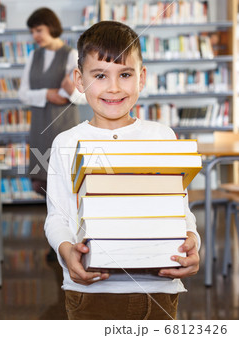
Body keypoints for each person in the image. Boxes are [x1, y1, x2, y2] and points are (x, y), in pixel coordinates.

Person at [44, 21, 200, 320]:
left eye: (125, 74)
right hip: (90, 293)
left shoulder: (162, 137)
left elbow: (180, 210)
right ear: (79, 80)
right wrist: (66, 251)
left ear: (141, 78)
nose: (114, 87)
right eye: (100, 75)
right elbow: (58, 216)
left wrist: (193, 239)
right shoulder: (66, 142)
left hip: (159, 290)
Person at [18, 7, 87, 197]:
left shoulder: (72, 55)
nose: (35, 36)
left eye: (38, 30)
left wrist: (71, 91)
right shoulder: (34, 56)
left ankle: (67, 224)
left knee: (66, 183)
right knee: (41, 184)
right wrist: (47, 94)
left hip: (63, 127)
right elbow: (23, 94)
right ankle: (53, 223)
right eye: (32, 32)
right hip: (40, 128)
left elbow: (84, 97)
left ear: (50, 27)